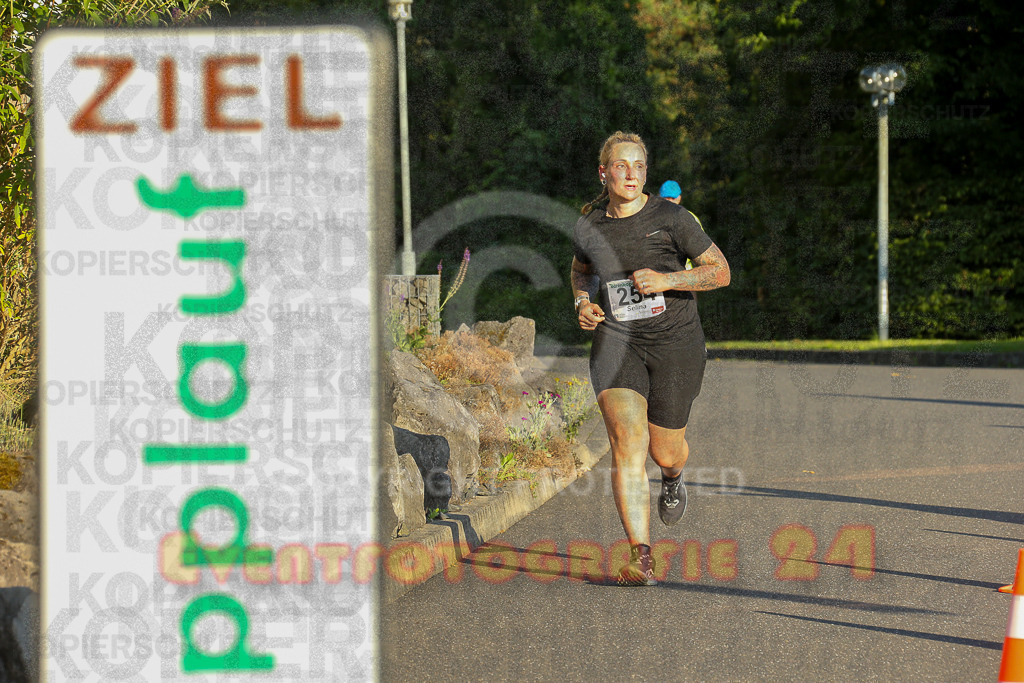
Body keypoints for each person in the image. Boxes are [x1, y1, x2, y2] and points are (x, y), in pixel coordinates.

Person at [570, 131, 730, 586]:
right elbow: (581, 272)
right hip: (616, 341)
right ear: (604, 172)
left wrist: (667, 280)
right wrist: (582, 303)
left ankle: (673, 478)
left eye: (639, 166)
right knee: (627, 439)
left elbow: (721, 272)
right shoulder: (589, 225)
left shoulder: (672, 218)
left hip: (676, 343)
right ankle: (640, 556)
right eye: (621, 165)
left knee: (665, 451)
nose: (631, 174)